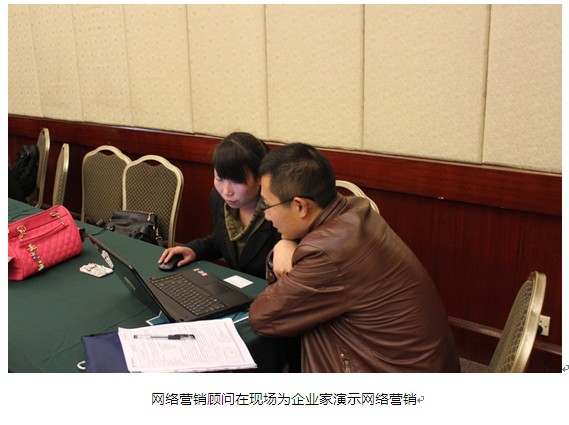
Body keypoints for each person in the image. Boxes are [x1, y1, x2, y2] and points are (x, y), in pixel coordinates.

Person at [249, 142, 460, 372]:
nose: (266, 216)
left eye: (267, 205)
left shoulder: (328, 252)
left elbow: (264, 317)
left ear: (300, 206)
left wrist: (284, 245)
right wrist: (285, 241)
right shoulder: (355, 209)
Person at [158, 132, 281, 279]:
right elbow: (220, 241)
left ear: (260, 177)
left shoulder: (279, 210)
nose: (226, 191)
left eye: (237, 181)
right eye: (220, 178)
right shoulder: (218, 198)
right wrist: (193, 250)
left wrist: (287, 244)